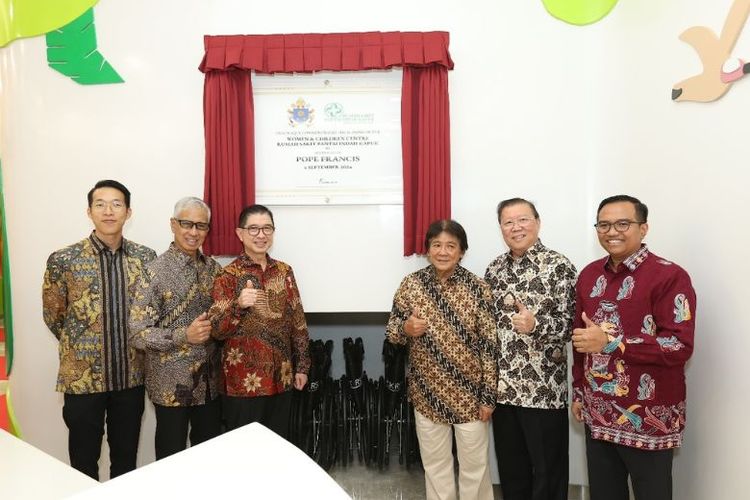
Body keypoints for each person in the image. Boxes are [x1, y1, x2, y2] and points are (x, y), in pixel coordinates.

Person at [571, 195, 696, 500]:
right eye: (603, 225)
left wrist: (613, 343)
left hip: (649, 415)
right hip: (599, 411)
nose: (612, 231)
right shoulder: (589, 275)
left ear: (643, 228)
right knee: (605, 493)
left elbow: (679, 345)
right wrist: (578, 391)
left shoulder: (669, 276)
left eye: (623, 223)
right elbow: (581, 340)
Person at [42, 179, 156, 480]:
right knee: (82, 463)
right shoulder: (64, 259)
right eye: (100, 204)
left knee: (125, 463)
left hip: (130, 377)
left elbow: (150, 314)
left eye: (116, 204)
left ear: (128, 212)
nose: (108, 211)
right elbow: (54, 315)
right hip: (83, 382)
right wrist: (85, 342)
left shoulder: (145, 258)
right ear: (89, 211)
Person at [386, 219, 497, 500]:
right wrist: (405, 328)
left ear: (462, 251)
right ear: (427, 250)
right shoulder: (411, 285)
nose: (443, 252)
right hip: (427, 392)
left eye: (451, 246)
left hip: (470, 396)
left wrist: (488, 396)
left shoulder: (478, 287)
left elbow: (489, 345)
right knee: (435, 467)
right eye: (437, 245)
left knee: (475, 469)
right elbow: (392, 332)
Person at [484, 198, 577, 500]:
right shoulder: (494, 269)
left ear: (537, 222)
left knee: (548, 474)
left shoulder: (559, 266)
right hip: (504, 392)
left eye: (523, 219)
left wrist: (536, 324)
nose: (516, 227)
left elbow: (572, 326)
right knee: (512, 473)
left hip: (543, 393)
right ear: (501, 228)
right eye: (508, 222)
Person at [129, 197, 223, 459]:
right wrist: (184, 335)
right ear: (173, 224)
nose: (193, 232)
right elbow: (137, 333)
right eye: (186, 224)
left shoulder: (213, 269)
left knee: (209, 460)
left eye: (201, 226)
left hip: (209, 384)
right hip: (171, 386)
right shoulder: (154, 272)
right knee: (171, 461)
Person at [208, 204, 309, 438]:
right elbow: (217, 330)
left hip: (282, 379)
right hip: (243, 386)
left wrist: (302, 367)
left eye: (267, 228)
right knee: (245, 451)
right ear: (240, 233)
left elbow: (298, 321)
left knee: (278, 447)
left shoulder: (284, 271)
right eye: (253, 229)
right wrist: (238, 305)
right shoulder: (227, 275)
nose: (261, 235)